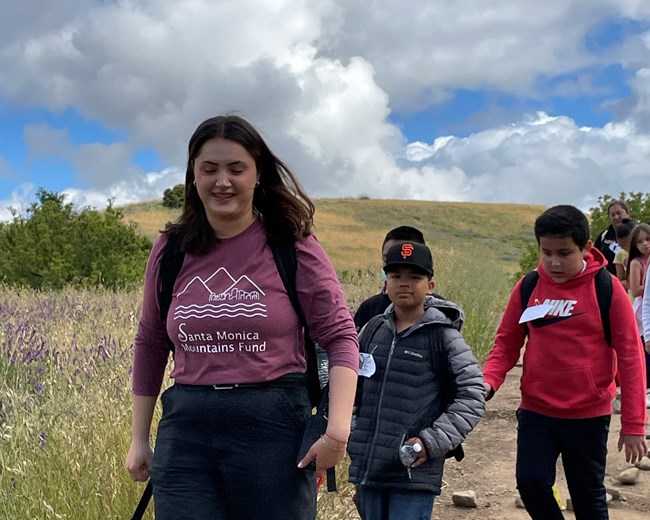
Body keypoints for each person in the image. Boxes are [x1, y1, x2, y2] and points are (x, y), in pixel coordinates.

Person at [124, 114, 359, 520]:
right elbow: (150, 341)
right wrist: (139, 439)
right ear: (193, 176)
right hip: (186, 431)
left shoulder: (291, 243)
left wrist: (336, 431)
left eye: (236, 168)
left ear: (257, 174)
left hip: (274, 431)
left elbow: (340, 336)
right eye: (209, 169)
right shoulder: (170, 249)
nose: (222, 181)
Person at [483, 205, 647, 520]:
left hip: (588, 415)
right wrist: (489, 382)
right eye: (546, 253)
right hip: (537, 412)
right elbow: (506, 343)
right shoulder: (529, 286)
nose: (555, 262)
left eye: (564, 253)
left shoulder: (606, 288)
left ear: (586, 248)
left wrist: (634, 424)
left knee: (588, 500)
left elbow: (630, 356)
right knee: (531, 485)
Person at [348, 242, 485, 520]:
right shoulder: (372, 330)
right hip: (369, 468)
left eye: (415, 277)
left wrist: (430, 442)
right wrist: (352, 429)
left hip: (412, 470)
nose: (404, 284)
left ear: (430, 285)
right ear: (386, 281)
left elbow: (473, 394)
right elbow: (352, 385)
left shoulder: (444, 336)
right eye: (395, 276)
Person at [353, 226, 441, 331]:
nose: (403, 283)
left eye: (414, 277)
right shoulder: (370, 308)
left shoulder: (441, 312)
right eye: (387, 259)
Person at [593, 200, 630, 275]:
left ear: (627, 213)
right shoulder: (604, 236)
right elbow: (594, 257)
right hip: (609, 280)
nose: (616, 217)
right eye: (612, 215)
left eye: (619, 213)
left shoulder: (638, 232)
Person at [613, 218, 635, 290]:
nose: (626, 249)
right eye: (622, 246)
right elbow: (619, 282)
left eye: (628, 245)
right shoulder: (620, 254)